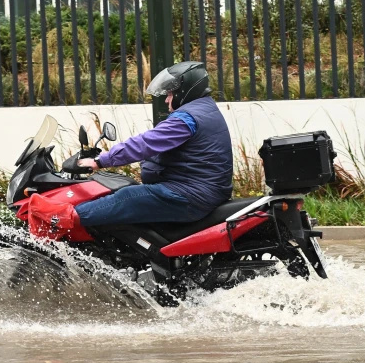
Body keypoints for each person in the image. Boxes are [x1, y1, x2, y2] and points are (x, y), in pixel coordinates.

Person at [28, 61, 233, 235]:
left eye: (171, 93)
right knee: (128, 191)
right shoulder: (203, 110)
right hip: (198, 189)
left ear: (185, 90)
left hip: (191, 194)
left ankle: (60, 218)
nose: (167, 99)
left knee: (128, 198)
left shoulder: (187, 118)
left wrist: (100, 161)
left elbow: (145, 144)